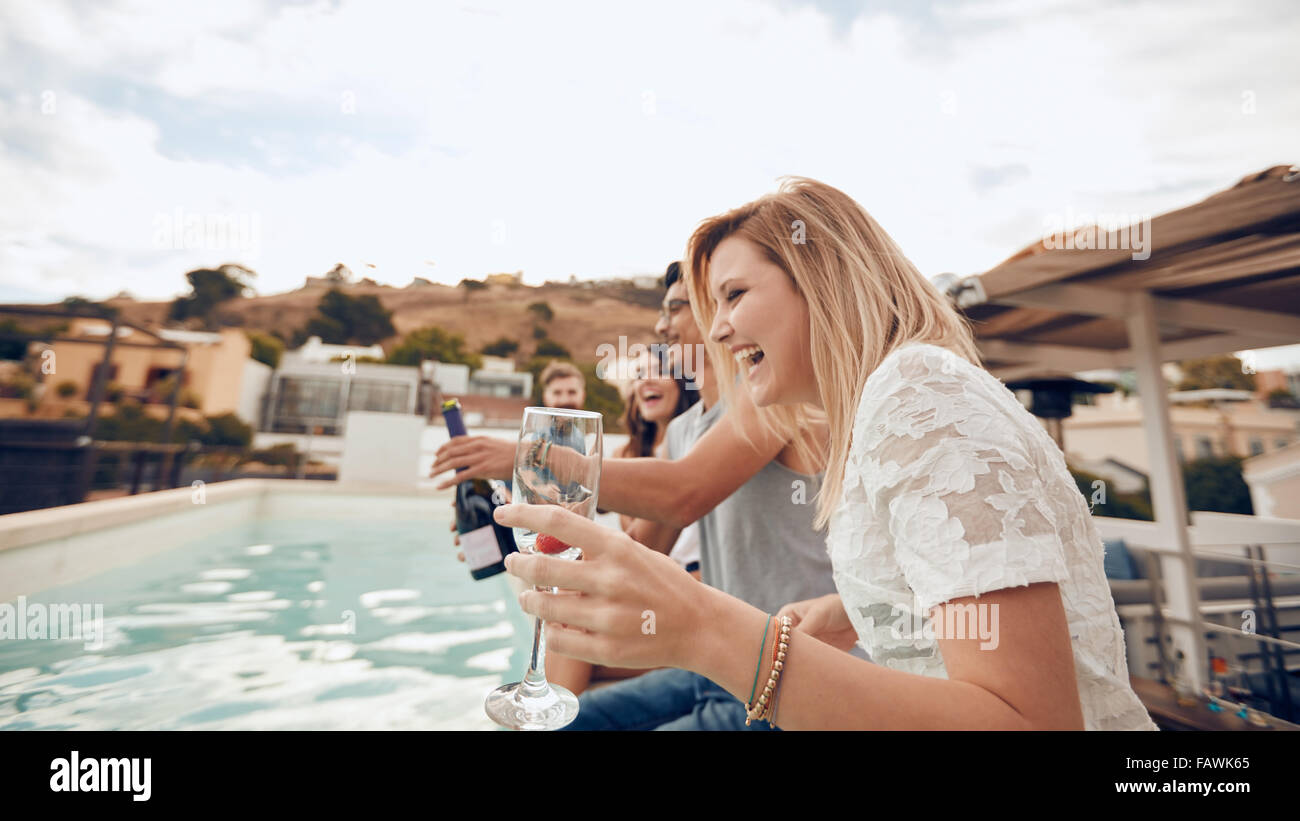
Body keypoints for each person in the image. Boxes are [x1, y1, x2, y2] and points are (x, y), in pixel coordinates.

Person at [495, 177, 1158, 731]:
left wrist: (705, 626)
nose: (718, 328)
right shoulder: (882, 409)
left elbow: (1033, 723)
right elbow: (969, 598)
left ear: (821, 276)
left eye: (734, 294)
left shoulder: (918, 397)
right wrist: (856, 611)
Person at [432, 259, 838, 730]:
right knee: (568, 724)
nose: (662, 325)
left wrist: (528, 453)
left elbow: (685, 491)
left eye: (676, 308)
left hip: (786, 672)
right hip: (721, 671)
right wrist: (516, 536)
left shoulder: (767, 395)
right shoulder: (686, 429)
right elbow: (646, 542)